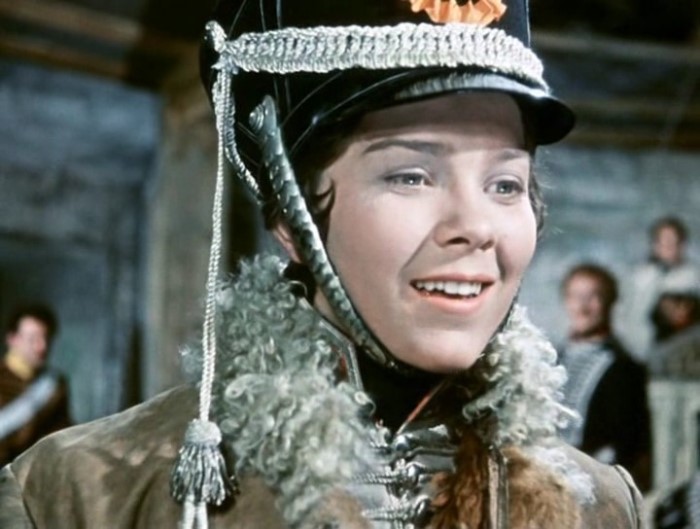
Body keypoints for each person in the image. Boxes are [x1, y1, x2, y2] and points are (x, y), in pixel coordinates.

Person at [0, 1, 644, 528]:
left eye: (505, 184)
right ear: (290, 217)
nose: (475, 227)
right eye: (411, 175)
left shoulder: (603, 509)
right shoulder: (75, 495)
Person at [557, 264, 651, 491]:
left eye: (593, 297)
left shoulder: (625, 369)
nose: (583, 307)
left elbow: (627, 448)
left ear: (609, 303)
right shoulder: (551, 358)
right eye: (576, 297)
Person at [618, 216, 700, 361]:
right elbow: (625, 315)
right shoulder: (639, 277)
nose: (670, 248)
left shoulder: (693, 277)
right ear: (655, 245)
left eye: (675, 242)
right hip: (644, 349)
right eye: (665, 242)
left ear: (683, 244)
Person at [0, 304, 71, 467]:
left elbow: (62, 436)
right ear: (12, 339)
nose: (42, 347)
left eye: (46, 338)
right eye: (33, 339)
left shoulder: (55, 385)